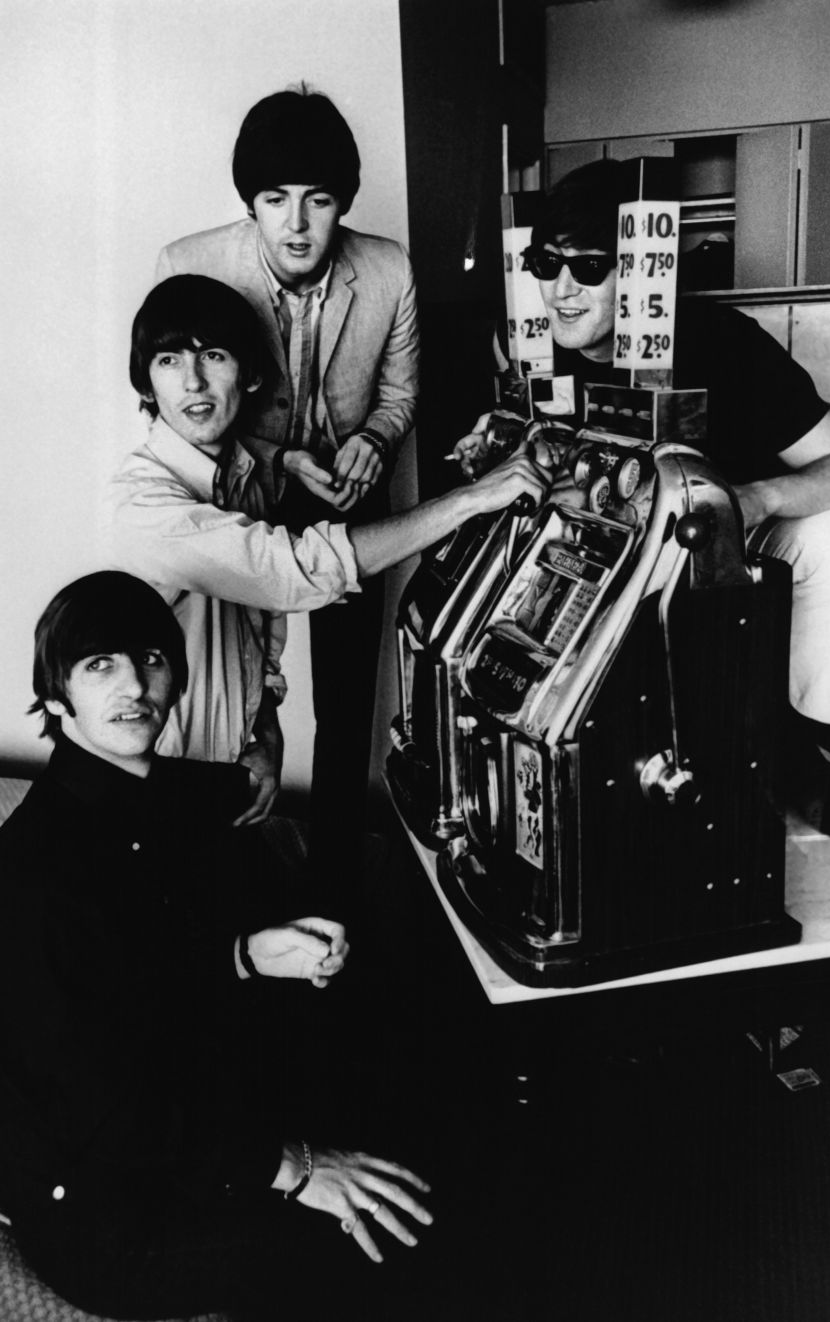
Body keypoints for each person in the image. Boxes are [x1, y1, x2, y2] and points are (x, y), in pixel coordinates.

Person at [0, 570, 440, 1321]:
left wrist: (248, 951)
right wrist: (297, 1168)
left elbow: (151, 958)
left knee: (418, 1109)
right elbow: (105, 1111)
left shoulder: (168, 793)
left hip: (190, 1116)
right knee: (388, 1238)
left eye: (151, 659)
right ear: (53, 695)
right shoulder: (33, 871)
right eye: (99, 665)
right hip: (110, 1207)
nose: (134, 685)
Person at [456, 160, 830, 836]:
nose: (562, 290)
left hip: (713, 540)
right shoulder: (525, 349)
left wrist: (753, 497)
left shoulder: (725, 343)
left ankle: (797, 738)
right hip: (582, 560)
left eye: (590, 268)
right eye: (547, 264)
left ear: (639, 273)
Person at [107, 275, 548, 892]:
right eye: (169, 360)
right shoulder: (145, 503)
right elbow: (293, 573)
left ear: (251, 375)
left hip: (222, 789)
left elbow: (256, 625)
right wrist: (470, 501)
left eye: (213, 355)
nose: (193, 382)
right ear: (146, 383)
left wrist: (261, 730)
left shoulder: (240, 471)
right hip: (147, 796)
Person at [155, 84, 418, 894]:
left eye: (319, 201)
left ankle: (333, 877)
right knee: (221, 685)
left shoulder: (388, 269)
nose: (298, 225)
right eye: (275, 200)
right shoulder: (188, 265)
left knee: (344, 707)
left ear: (343, 204)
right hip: (234, 491)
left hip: (348, 493)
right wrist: (280, 463)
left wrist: (373, 441)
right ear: (250, 203)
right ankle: (213, 866)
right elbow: (180, 403)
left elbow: (400, 394)